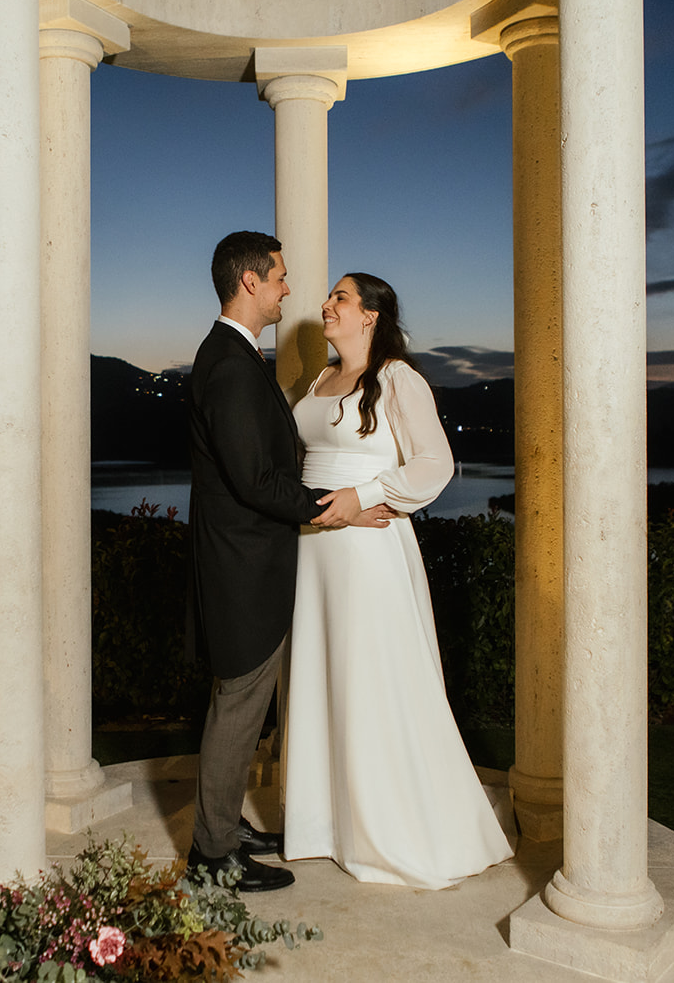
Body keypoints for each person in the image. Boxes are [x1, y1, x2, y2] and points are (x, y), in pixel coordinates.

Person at [283, 272, 514, 888]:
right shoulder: (320, 380)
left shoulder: (397, 378)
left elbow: (435, 463)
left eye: (340, 297)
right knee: (322, 672)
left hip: (366, 546)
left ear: (371, 316)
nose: (326, 304)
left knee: (370, 674)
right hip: (313, 546)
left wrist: (362, 496)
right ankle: (324, 824)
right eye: (330, 296)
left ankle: (386, 828)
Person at [185, 232, 392, 893]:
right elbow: (256, 481)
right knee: (239, 707)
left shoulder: (234, 356)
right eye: (279, 276)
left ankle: (224, 825)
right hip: (243, 568)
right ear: (250, 282)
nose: (288, 289)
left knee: (241, 706)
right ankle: (213, 856)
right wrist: (339, 508)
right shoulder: (230, 365)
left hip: (246, 561)